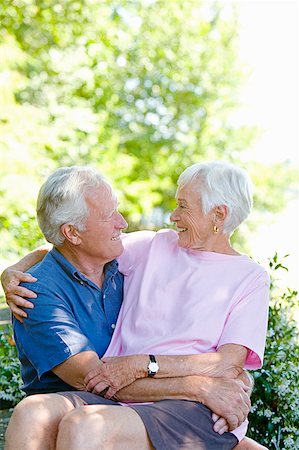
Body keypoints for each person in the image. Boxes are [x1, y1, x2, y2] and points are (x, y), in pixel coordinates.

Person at [1, 163, 269, 450]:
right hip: (122, 393)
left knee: (85, 425)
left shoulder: (249, 277)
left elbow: (226, 363)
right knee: (31, 413)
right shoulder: (156, 245)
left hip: (191, 406)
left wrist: (144, 364)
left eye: (182, 206)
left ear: (219, 214)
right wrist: (14, 270)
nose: (172, 215)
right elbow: (73, 246)